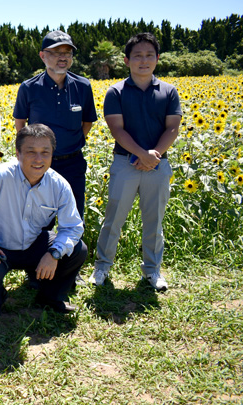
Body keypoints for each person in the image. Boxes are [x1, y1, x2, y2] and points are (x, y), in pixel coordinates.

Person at [0, 124, 87, 322]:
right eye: (31, 152)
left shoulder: (59, 185)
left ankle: (49, 297)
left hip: (33, 243)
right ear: (18, 153)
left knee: (78, 250)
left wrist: (53, 253)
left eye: (44, 153)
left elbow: (72, 227)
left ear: (51, 155)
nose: (38, 159)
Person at [90, 33, 182, 291]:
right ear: (126, 60)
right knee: (114, 218)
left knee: (154, 221)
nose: (144, 60)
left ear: (157, 58)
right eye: (138, 56)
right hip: (125, 163)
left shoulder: (169, 91)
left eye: (149, 55)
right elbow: (116, 129)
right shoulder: (115, 92)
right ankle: (102, 267)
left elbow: (172, 128)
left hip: (158, 165)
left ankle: (152, 271)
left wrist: (153, 157)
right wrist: (143, 154)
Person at [13, 30, 97, 221]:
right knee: (40, 220)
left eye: (67, 53)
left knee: (74, 218)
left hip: (73, 163)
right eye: (56, 52)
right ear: (43, 56)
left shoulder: (82, 86)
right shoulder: (29, 87)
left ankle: (73, 251)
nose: (63, 57)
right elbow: (20, 123)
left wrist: (74, 142)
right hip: (39, 164)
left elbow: (88, 121)